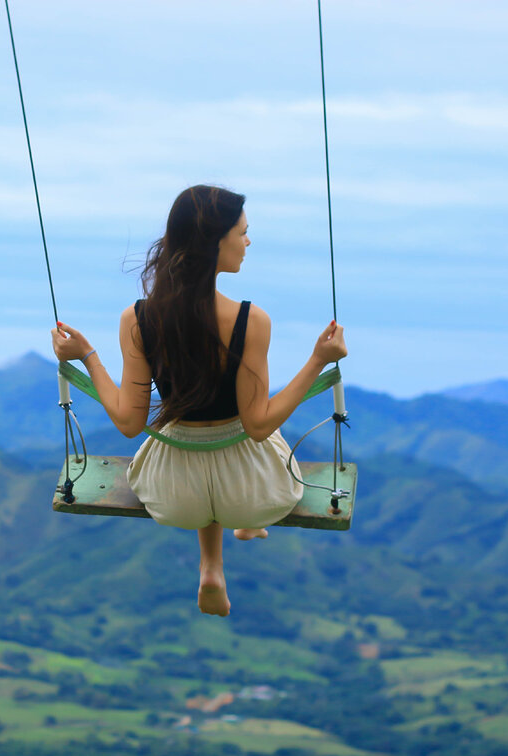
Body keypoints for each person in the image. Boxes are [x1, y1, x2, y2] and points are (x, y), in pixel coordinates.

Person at [51, 185, 347, 616]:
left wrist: (88, 358)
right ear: (215, 241)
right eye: (242, 233)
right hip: (255, 493)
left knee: (192, 436)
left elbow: (130, 423)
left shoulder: (138, 318)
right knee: (261, 429)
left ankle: (211, 566)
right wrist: (320, 360)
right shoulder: (251, 320)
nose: (248, 242)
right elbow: (258, 425)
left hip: (172, 495)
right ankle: (246, 524)